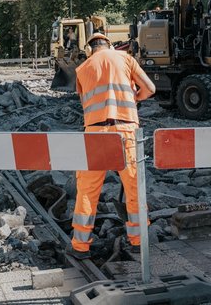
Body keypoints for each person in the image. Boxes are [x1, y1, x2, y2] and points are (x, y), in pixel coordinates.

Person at [70, 32, 156, 259]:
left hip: (95, 133)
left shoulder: (83, 68)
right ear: (109, 44)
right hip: (125, 130)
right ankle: (139, 241)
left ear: (90, 49)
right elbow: (150, 88)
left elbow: (84, 103)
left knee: (87, 191)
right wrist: (134, 98)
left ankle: (80, 246)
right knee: (134, 187)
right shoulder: (125, 58)